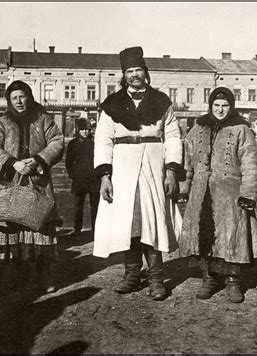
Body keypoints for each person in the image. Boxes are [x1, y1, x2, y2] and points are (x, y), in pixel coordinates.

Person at [93, 46, 183, 301]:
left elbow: (174, 138)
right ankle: (132, 274)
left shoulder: (161, 101)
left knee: (152, 219)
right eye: (129, 71)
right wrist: (104, 175)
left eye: (138, 70)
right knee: (128, 223)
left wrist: (172, 171)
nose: (134, 75)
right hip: (122, 169)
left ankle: (156, 278)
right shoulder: (112, 105)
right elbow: (103, 141)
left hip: (153, 167)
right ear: (124, 75)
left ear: (146, 72)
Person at [179, 87, 257, 303]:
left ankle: (233, 282)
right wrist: (184, 186)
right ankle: (209, 278)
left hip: (230, 194)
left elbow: (251, 164)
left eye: (225, 105)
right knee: (205, 234)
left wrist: (248, 193)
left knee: (231, 236)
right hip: (201, 191)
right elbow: (186, 159)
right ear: (210, 106)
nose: (220, 109)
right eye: (216, 105)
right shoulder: (198, 128)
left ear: (231, 106)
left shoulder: (241, 130)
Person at [0, 80, 64, 294]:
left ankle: (44, 277)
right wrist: (13, 163)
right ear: (9, 101)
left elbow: (57, 142)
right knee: (12, 230)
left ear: (29, 96)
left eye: (22, 96)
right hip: (11, 184)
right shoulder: (1, 123)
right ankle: (14, 278)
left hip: (38, 184)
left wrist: (38, 159)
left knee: (41, 229)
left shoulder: (44, 119)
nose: (19, 101)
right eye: (14, 98)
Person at [65, 118, 100, 234]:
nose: (85, 132)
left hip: (93, 179)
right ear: (78, 130)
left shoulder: (95, 143)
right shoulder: (73, 143)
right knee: (78, 206)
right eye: (83, 129)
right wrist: (73, 174)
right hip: (79, 179)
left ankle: (96, 229)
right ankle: (77, 228)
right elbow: (69, 162)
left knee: (95, 206)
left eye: (88, 129)